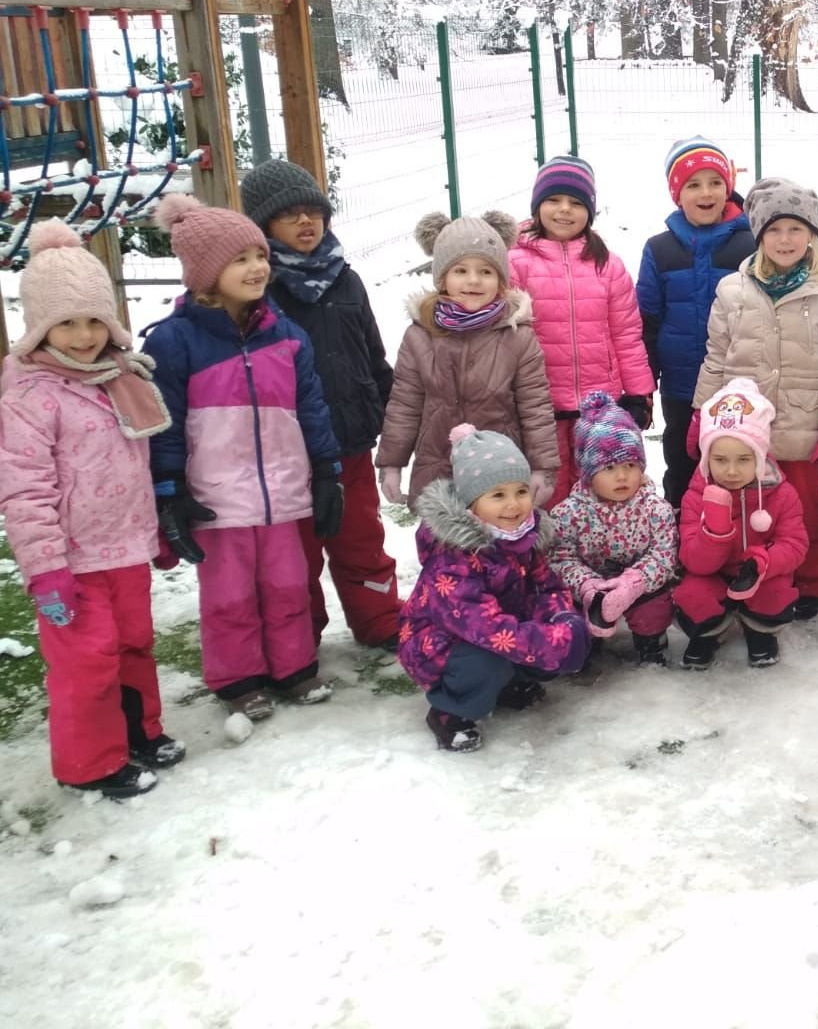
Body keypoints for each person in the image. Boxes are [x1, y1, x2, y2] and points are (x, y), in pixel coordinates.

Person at [143, 194, 345, 720]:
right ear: (206, 273)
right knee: (228, 594)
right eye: (240, 259)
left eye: (260, 256)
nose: (257, 268)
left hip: (282, 491)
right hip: (215, 498)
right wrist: (170, 488)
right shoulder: (174, 342)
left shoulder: (287, 336)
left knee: (288, 584)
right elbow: (163, 425)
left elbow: (312, 408)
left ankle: (293, 666)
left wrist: (326, 471)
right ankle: (238, 678)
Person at [0, 221, 183, 799]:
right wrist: (44, 569)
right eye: (67, 323)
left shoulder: (119, 379)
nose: (83, 336)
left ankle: (138, 731)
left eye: (94, 320)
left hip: (125, 549)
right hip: (71, 562)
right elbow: (25, 491)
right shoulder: (30, 396)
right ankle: (91, 762)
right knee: (87, 661)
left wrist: (156, 530)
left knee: (134, 645)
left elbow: (135, 466)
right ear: (40, 327)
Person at [243, 157, 400, 650]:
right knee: (296, 551)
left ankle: (380, 619)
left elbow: (372, 353)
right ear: (262, 225)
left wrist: (390, 408)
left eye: (314, 211)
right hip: (287, 451)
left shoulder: (346, 279)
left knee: (361, 537)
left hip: (349, 439)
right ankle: (298, 634)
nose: (305, 221)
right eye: (289, 214)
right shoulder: (256, 290)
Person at [693, 177, 818, 620]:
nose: (785, 240)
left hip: (799, 427)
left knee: (802, 511)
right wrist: (701, 413)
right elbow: (716, 357)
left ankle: (812, 581)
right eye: (774, 230)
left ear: (812, 234)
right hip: (741, 428)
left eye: (796, 229)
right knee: (747, 508)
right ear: (759, 235)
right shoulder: (733, 291)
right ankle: (748, 576)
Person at [396, 424, 590, 752]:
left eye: (521, 491)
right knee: (489, 663)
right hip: (442, 647)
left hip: (499, 633)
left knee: (550, 636)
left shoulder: (524, 537)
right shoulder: (453, 558)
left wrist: (562, 619)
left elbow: (546, 586)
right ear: (471, 502)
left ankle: (508, 684)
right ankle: (450, 711)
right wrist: (549, 642)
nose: (513, 505)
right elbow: (483, 627)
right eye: (498, 495)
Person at [376, 211, 560, 510]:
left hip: (501, 474)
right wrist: (391, 463)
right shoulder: (420, 335)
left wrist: (543, 468)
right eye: (460, 270)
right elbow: (404, 405)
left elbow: (535, 406)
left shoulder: (517, 335)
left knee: (499, 537)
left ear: (500, 280)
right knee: (443, 537)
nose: (473, 280)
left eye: (486, 271)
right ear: (442, 278)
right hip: (438, 466)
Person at [507, 155, 655, 506]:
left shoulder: (608, 265)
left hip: (599, 405)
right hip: (540, 406)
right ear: (537, 206)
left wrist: (639, 394)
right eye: (553, 200)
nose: (564, 210)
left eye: (576, 203)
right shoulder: (514, 262)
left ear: (590, 210)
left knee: (600, 488)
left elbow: (626, 334)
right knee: (549, 488)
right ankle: (549, 541)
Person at [635, 136, 755, 507]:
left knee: (736, 463)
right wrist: (644, 385)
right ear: (677, 194)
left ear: (728, 188)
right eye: (693, 184)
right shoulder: (659, 249)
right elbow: (647, 321)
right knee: (682, 461)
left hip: (739, 381)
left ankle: (739, 532)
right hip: (681, 385)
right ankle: (679, 525)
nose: (706, 192)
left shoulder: (751, 245)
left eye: (715, 182)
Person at [675, 378, 808, 669]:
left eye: (744, 459)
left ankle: (759, 629)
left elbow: (795, 544)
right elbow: (692, 559)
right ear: (706, 459)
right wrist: (714, 533)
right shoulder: (696, 495)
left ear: (759, 458)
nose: (732, 471)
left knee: (776, 594)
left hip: (759, 574)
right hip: (713, 574)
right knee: (692, 595)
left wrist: (763, 562)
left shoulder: (781, 493)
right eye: (720, 460)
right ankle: (710, 632)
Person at [548, 391, 679, 665]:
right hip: (590, 589)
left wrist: (632, 584)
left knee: (653, 609)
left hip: (640, 586)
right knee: (573, 617)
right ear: (588, 473)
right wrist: (588, 586)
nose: (622, 476)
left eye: (630, 465)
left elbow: (664, 556)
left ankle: (651, 640)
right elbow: (561, 559)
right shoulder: (568, 513)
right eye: (609, 468)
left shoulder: (655, 508)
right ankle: (587, 643)